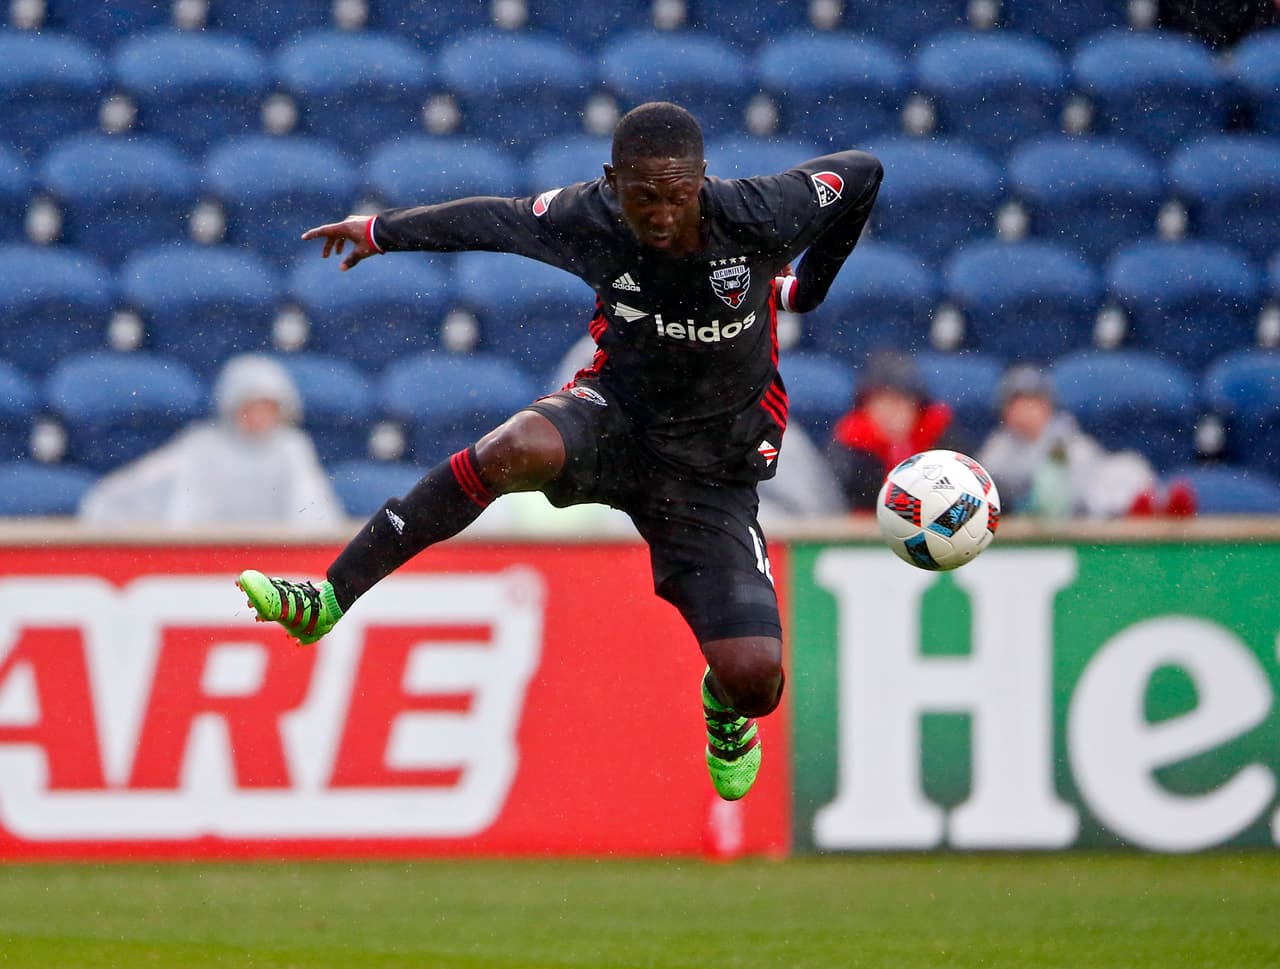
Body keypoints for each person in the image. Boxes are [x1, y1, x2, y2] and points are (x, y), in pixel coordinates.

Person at [238, 101, 882, 802]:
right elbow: (492, 220)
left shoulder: (760, 212)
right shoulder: (589, 217)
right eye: (642, 197)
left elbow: (863, 173)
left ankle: (724, 707)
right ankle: (331, 595)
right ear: (612, 182)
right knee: (514, 446)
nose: (661, 214)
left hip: (712, 471)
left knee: (756, 678)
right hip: (615, 419)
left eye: (676, 195)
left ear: (702, 178)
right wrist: (380, 232)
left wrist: (805, 291)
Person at [80, 353, 344, 528]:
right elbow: (135, 494)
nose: (259, 418)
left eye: (268, 408)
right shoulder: (202, 447)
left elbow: (313, 512)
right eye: (251, 407)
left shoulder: (291, 448)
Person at [977, 362, 1196, 518]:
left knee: (1128, 464)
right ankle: (1137, 510)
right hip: (1044, 511)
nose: (1028, 410)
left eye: (1035, 402)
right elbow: (995, 483)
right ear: (1006, 412)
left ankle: (1159, 506)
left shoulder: (1066, 434)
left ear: (1048, 406)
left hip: (1085, 499)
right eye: (1020, 403)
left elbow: (1091, 464)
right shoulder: (1000, 445)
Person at [826, 349, 969, 511]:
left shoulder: (940, 434)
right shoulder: (850, 444)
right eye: (881, 402)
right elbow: (845, 499)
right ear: (865, 407)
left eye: (900, 402)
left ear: (917, 406)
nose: (891, 412)